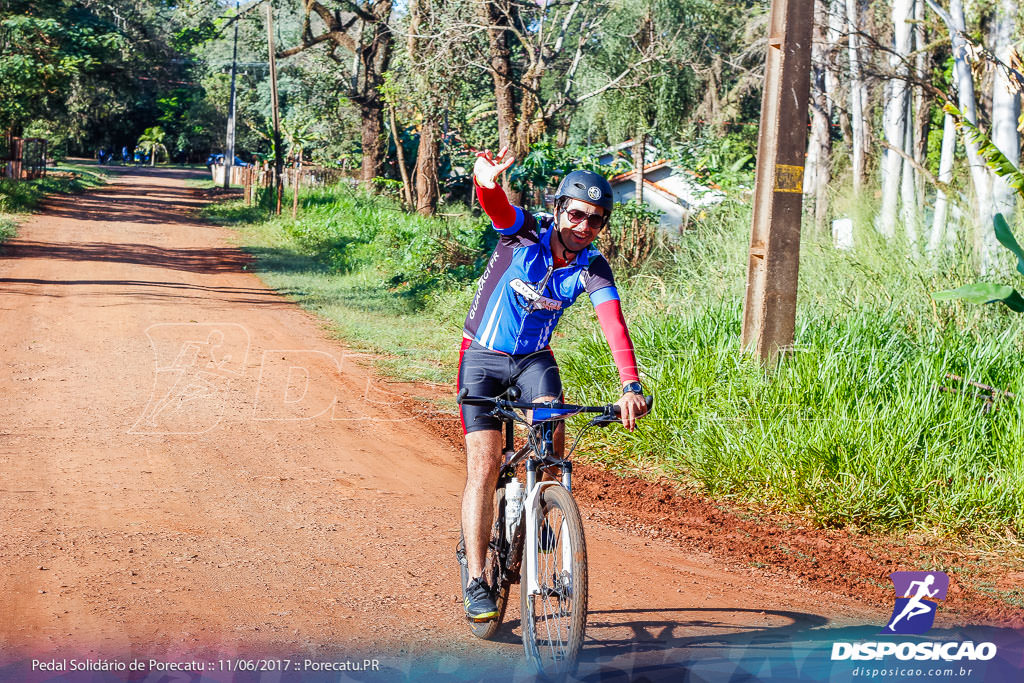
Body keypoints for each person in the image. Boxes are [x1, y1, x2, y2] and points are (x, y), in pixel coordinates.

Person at [458, 147, 647, 621]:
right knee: (482, 466)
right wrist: (485, 181)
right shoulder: (524, 232)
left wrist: (630, 385)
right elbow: (497, 206)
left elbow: (613, 324)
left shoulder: (593, 266)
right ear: (559, 208)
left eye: (597, 221)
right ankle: (478, 578)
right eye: (579, 214)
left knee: (554, 427)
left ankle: (542, 500)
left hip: (534, 359)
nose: (585, 226)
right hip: (482, 357)